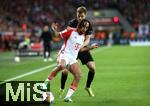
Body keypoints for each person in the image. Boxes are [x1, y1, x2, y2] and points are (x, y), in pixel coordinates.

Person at [41, 19, 92, 102]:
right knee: (62, 66)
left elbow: (79, 49)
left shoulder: (83, 37)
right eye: (84, 26)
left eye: (86, 28)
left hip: (73, 58)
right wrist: (54, 30)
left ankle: (68, 97)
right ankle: (45, 83)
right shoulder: (70, 31)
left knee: (78, 75)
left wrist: (90, 48)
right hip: (65, 54)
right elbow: (57, 35)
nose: (85, 29)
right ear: (80, 25)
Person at [59, 6, 96, 97]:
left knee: (92, 68)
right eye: (78, 16)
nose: (80, 18)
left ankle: (87, 87)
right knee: (65, 71)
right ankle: (62, 88)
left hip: (82, 48)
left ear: (85, 15)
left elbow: (87, 40)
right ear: (76, 14)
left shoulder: (88, 24)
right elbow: (66, 36)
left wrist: (81, 46)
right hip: (71, 50)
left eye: (82, 16)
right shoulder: (72, 23)